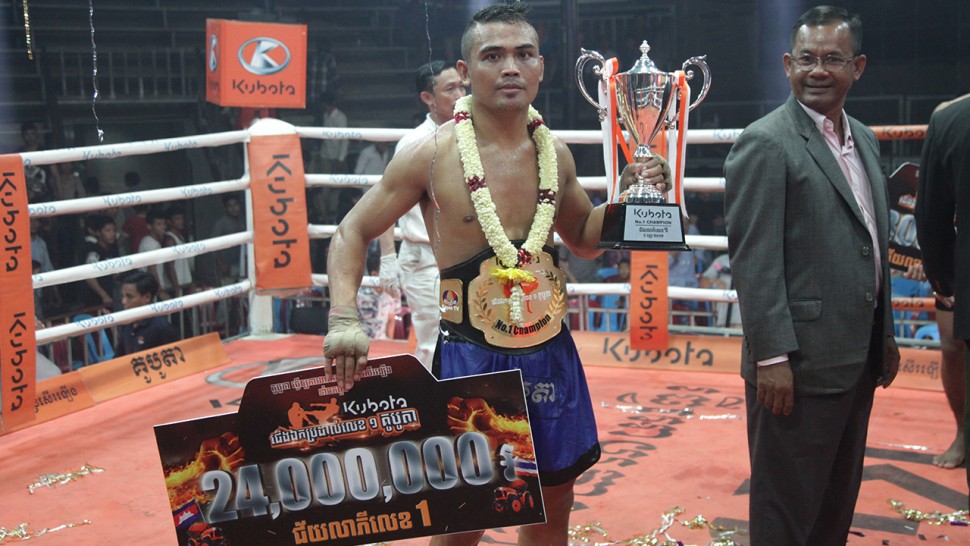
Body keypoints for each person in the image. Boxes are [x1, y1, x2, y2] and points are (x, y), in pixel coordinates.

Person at [323, 4, 670, 544]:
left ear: (541, 67)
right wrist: (344, 318)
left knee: (555, 501)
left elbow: (583, 238)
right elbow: (351, 231)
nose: (510, 67)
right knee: (468, 512)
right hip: (471, 352)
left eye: (524, 54)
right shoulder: (431, 154)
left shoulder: (555, 152)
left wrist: (628, 198)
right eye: (493, 56)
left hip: (548, 349)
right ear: (465, 72)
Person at [723, 6, 900, 545]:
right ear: (787, 65)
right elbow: (754, 260)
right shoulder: (766, 141)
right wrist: (771, 357)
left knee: (834, 509)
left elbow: (871, 244)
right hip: (795, 369)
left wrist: (885, 335)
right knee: (784, 515)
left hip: (857, 358)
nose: (818, 70)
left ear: (857, 67)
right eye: (806, 58)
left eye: (832, 59)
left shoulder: (864, 138)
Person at [376, 59, 467, 369]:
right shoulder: (413, 143)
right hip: (424, 257)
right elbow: (385, 200)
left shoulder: (475, 134)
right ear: (428, 98)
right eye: (450, 89)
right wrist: (387, 257)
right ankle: (431, 399)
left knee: (472, 337)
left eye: (462, 86)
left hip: (467, 254)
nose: (460, 94)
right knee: (432, 340)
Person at [915, 93, 970, 486]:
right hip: (961, 267)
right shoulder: (951, 116)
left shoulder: (951, 117)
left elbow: (929, 214)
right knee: (952, 345)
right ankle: (963, 431)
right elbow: (933, 213)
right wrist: (944, 280)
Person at [115, 271, 179, 356]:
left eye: (129, 297)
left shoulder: (161, 328)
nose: (124, 301)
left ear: (147, 297)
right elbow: (119, 357)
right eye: (123, 296)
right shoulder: (126, 325)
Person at [78, 213, 121, 311]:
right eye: (108, 231)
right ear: (98, 233)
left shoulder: (112, 249)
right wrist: (104, 295)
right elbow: (89, 276)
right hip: (95, 298)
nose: (112, 234)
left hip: (110, 292)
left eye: (114, 230)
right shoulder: (93, 251)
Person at [698, 253, 741, 328]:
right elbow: (703, 284)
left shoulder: (752, 260)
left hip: (745, 321)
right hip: (723, 319)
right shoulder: (720, 261)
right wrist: (715, 281)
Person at [138, 207, 171, 300]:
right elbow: (152, 269)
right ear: (149, 226)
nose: (163, 227)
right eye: (159, 224)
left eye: (164, 224)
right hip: (152, 291)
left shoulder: (152, 242)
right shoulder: (150, 244)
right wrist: (160, 291)